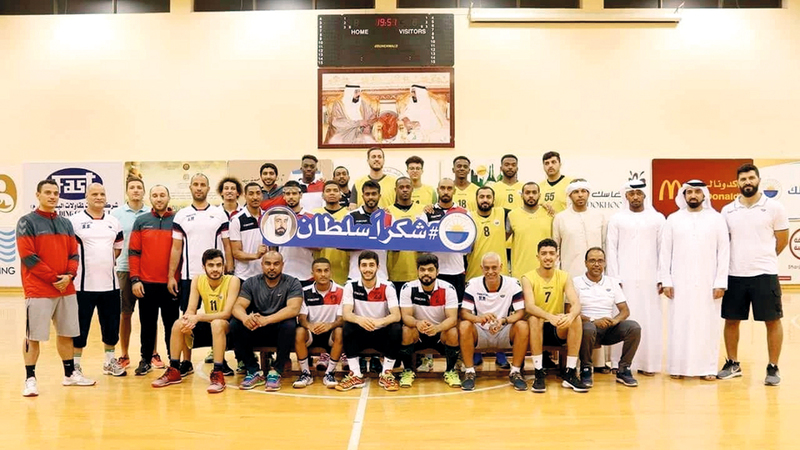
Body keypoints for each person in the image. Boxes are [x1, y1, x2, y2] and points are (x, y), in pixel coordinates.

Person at [18, 179, 94, 397]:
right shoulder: (26, 222)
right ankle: (30, 379)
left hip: (66, 289)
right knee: (33, 336)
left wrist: (69, 276)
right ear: (38, 195)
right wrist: (54, 278)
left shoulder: (65, 223)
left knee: (67, 334)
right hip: (38, 290)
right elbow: (28, 256)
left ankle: (69, 375)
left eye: (55, 193)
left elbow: (73, 254)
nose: (52, 196)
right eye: (48, 192)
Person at [718, 164, 789, 386]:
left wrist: (764, 258)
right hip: (734, 274)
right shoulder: (727, 210)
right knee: (731, 320)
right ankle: (732, 364)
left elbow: (782, 239)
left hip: (765, 274)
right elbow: (725, 242)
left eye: (751, 178)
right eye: (743, 179)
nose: (747, 182)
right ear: (737, 183)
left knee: (772, 321)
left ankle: (773, 367)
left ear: (758, 179)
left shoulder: (774, 207)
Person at [659, 180, 729, 380]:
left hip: (709, 282)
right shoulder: (673, 219)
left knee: (707, 325)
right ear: (684, 195)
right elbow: (665, 252)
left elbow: (724, 252)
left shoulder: (716, 219)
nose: (693, 195)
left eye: (698, 192)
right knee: (679, 324)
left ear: (704, 195)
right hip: (679, 283)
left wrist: (720, 282)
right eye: (689, 192)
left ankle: (707, 368)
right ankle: (677, 367)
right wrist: (666, 281)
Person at [151, 249, 240, 393]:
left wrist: (198, 317)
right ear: (204, 267)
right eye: (211, 265)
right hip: (209, 324)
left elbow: (226, 314)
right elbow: (191, 309)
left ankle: (218, 372)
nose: (215, 269)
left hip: (228, 328)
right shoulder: (198, 280)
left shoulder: (232, 281)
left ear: (223, 266)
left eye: (218, 265)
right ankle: (174, 369)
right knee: (178, 324)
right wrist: (187, 320)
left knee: (217, 323)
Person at [606, 179, 665, 375]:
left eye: (639, 193)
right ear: (626, 196)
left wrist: (661, 277)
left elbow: (663, 250)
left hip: (650, 279)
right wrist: (614, 278)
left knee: (650, 319)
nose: (635, 197)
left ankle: (649, 364)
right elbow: (611, 249)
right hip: (624, 279)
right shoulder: (617, 219)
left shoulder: (657, 219)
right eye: (631, 194)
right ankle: (619, 362)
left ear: (644, 195)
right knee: (623, 317)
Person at [69, 183, 126, 377]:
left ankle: (109, 362)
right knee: (80, 328)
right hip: (82, 286)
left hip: (110, 286)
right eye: (94, 194)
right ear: (86, 197)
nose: (99, 197)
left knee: (111, 327)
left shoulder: (113, 222)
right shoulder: (74, 221)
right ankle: (75, 366)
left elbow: (117, 249)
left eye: (102, 194)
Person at [522, 238, 588, 393]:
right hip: (536, 328)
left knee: (576, 318)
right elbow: (529, 306)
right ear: (538, 256)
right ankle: (539, 372)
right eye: (544, 253)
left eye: (551, 253)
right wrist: (549, 316)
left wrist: (570, 316)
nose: (548, 257)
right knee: (535, 318)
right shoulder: (527, 277)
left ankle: (570, 372)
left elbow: (576, 303)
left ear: (557, 256)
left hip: (557, 328)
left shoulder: (564, 276)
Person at [231, 251, 303, 391]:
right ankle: (253, 370)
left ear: (282, 265)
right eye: (268, 264)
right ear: (262, 265)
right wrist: (246, 318)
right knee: (236, 323)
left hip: (278, 330)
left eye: (276, 264)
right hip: (257, 328)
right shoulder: (251, 282)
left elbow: (293, 309)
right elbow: (237, 307)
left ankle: (276, 371)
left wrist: (267, 319)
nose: (272, 267)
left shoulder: (293, 282)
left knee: (289, 324)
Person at [129, 185, 181, 376]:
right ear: (150, 198)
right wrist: (135, 280)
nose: (159, 199)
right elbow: (134, 252)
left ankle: (174, 361)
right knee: (147, 325)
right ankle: (145, 359)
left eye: (162, 195)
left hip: (171, 284)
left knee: (171, 325)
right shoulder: (141, 221)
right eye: (155, 195)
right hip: (146, 284)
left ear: (168, 197)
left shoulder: (178, 220)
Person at [168, 173, 232, 328]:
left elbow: (227, 245)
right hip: (189, 276)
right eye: (196, 184)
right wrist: (171, 276)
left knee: (217, 318)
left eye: (202, 185)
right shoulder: (181, 215)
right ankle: (188, 345)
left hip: (216, 275)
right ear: (190, 187)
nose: (199, 188)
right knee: (188, 317)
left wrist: (229, 269)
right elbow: (176, 248)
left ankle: (215, 344)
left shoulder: (219, 214)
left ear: (208, 189)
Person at [459, 253, 529, 391]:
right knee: (464, 325)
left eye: (494, 267)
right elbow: (464, 313)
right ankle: (469, 372)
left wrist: (503, 321)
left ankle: (515, 372)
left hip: (503, 330)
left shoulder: (513, 284)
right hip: (480, 332)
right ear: (481, 268)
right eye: (486, 268)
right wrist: (479, 319)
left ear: (501, 267)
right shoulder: (473, 284)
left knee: (523, 325)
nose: (490, 271)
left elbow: (520, 312)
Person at [575, 247, 642, 388]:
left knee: (634, 327)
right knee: (588, 328)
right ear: (585, 263)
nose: (596, 264)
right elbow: (570, 311)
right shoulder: (576, 282)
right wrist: (593, 321)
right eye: (592, 261)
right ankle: (585, 369)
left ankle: (624, 369)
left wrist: (614, 321)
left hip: (608, 328)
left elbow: (625, 311)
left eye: (600, 261)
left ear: (605, 263)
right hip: (587, 328)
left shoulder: (612, 282)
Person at [336, 251, 402, 392]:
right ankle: (355, 375)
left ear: (378, 267)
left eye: (371, 265)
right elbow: (346, 314)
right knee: (347, 326)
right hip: (360, 334)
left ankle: (386, 374)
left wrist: (379, 322)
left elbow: (396, 315)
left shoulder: (387, 286)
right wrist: (359, 320)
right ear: (359, 267)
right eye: (364, 265)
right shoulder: (350, 286)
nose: (367, 269)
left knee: (396, 327)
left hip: (381, 334)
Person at [111, 176, 156, 370]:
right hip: (124, 268)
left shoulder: (152, 213)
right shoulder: (116, 214)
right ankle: (124, 354)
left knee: (150, 316)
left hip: (147, 271)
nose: (136, 190)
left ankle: (153, 353)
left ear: (144, 191)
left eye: (139, 187)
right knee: (125, 314)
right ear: (127, 191)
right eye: (132, 187)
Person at [397, 254, 461, 388]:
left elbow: (452, 318)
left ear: (437, 271)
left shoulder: (448, 289)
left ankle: (450, 371)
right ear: (417, 271)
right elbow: (406, 316)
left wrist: (437, 328)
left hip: (439, 332)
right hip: (419, 333)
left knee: (453, 331)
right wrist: (417, 323)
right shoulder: (408, 288)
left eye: (430, 270)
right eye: (422, 270)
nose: (426, 273)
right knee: (406, 330)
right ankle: (408, 371)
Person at [292, 258, 344, 389]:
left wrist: (329, 325)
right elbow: (301, 318)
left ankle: (329, 373)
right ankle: (306, 374)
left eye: (326, 270)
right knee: (299, 331)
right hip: (312, 332)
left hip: (331, 333)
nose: (323, 274)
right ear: (312, 273)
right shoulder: (304, 291)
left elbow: (342, 318)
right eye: (319, 271)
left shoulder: (341, 291)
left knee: (340, 331)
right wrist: (310, 326)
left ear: (331, 272)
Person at [552, 179, 606, 278]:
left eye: (583, 191)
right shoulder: (560, 218)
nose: (580, 195)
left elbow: (604, 244)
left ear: (588, 194)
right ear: (570, 195)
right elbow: (556, 249)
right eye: (576, 192)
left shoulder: (599, 216)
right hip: (570, 274)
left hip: (597, 276)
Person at [387, 177, 427, 294]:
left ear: (412, 189)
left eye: (407, 187)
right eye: (401, 187)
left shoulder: (423, 210)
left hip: (418, 273)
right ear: (395, 190)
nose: (405, 190)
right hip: (395, 273)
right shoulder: (387, 212)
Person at [508, 182, 552, 278]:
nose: (531, 195)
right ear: (522, 195)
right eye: (527, 192)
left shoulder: (549, 214)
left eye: (534, 192)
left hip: (546, 272)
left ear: (539, 195)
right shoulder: (512, 215)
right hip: (521, 273)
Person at [347, 180, 389, 281]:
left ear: (379, 196)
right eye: (367, 194)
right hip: (355, 275)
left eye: (374, 194)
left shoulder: (388, 217)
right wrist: (366, 242)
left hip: (381, 275)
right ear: (362, 196)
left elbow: (396, 246)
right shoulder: (351, 216)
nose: (370, 197)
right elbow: (342, 244)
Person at [466, 186, 509, 281]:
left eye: (488, 197)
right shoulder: (468, 217)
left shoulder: (503, 213)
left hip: (500, 274)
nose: (485, 200)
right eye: (481, 197)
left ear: (494, 200)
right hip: (475, 274)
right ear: (476, 199)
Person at [313, 180, 350, 285]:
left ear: (340, 195)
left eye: (335, 190)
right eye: (328, 191)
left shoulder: (349, 215)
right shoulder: (314, 214)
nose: (332, 193)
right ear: (323, 195)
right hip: (320, 269)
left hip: (343, 269)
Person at [230, 182, 268, 282]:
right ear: (245, 196)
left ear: (262, 195)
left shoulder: (268, 217)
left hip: (265, 275)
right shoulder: (236, 220)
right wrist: (256, 256)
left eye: (258, 193)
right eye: (251, 194)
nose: (255, 197)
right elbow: (236, 253)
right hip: (244, 276)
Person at [279, 180, 314, 285]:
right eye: (288, 194)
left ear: (300, 195)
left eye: (294, 193)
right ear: (284, 196)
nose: (291, 197)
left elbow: (318, 247)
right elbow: (272, 245)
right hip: (284, 272)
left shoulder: (311, 217)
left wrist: (298, 239)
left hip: (306, 272)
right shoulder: (277, 216)